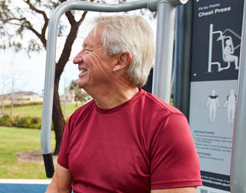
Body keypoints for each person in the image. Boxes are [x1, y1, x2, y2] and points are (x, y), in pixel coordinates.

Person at [46, 15, 202, 193]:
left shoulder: (166, 124)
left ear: (120, 60)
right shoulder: (78, 119)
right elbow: (58, 188)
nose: (76, 59)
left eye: (88, 50)